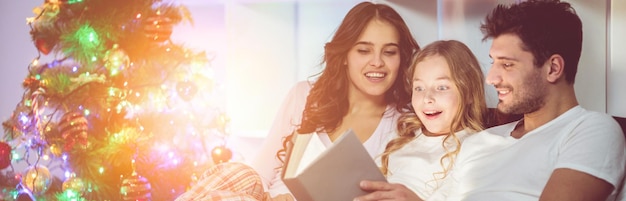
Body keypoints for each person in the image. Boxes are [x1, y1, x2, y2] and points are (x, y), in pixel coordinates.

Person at [174, 1, 420, 200]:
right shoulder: (304, 96)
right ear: (344, 56)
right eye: (363, 50)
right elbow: (259, 172)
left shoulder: (406, 123)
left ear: (401, 58)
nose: (377, 62)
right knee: (240, 175)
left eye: (389, 52)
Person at [425, 1, 624, 200]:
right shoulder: (479, 142)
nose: (491, 79)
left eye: (507, 64)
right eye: (494, 62)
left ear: (553, 68)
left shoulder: (590, 130)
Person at [355, 40, 487, 201]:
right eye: (419, 88)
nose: (427, 98)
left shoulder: (474, 146)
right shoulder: (402, 133)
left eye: (442, 87)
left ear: (468, 93)